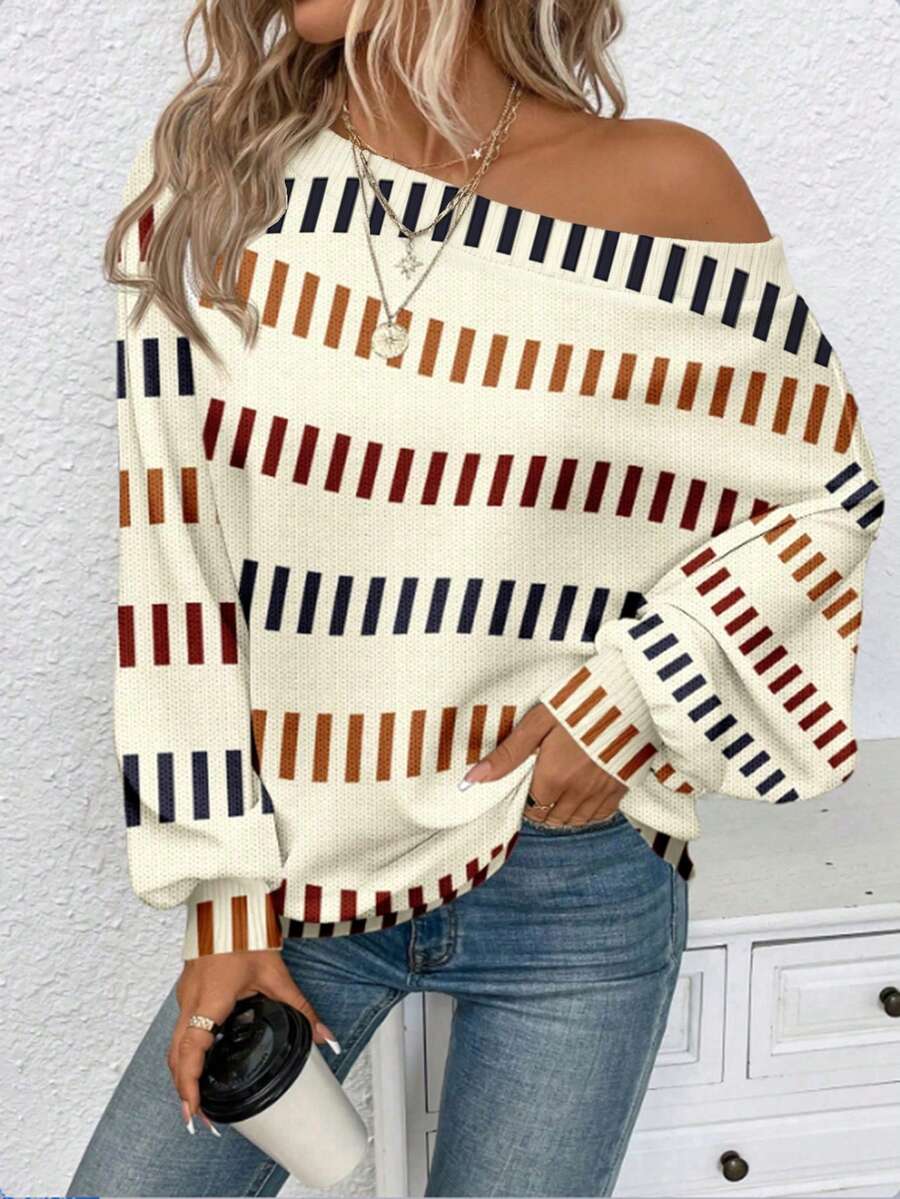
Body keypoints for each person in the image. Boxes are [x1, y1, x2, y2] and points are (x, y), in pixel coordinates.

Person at [67, 1, 885, 1196]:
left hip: (570, 882)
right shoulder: (214, 178)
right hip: (299, 876)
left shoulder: (664, 184)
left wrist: (627, 703)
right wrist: (224, 912)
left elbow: (824, 496)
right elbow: (175, 571)